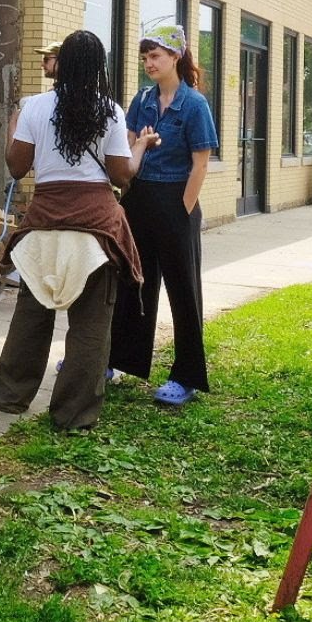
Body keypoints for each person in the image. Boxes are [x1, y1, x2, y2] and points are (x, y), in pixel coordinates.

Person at [0, 31, 145, 430]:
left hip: (44, 222)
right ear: (99, 67)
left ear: (61, 64)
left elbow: (16, 166)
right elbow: (120, 174)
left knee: (32, 313)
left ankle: (10, 396)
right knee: (91, 324)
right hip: (95, 229)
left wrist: (15, 125)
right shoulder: (110, 111)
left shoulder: (35, 108)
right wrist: (140, 148)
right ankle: (73, 415)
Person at [108, 24, 221, 405]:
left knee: (183, 290)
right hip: (139, 198)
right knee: (132, 282)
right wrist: (128, 192)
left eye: (155, 55)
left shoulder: (194, 105)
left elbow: (200, 164)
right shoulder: (141, 99)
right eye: (144, 57)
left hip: (176, 202)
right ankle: (120, 360)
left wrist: (182, 210)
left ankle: (186, 375)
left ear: (175, 56)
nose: (148, 63)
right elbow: (127, 148)